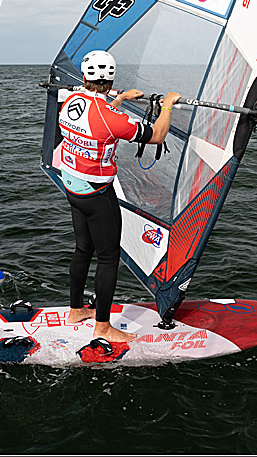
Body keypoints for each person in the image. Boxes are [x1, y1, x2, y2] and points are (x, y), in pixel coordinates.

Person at [57, 49, 180, 343]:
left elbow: (97, 115)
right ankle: (102, 326)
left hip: (73, 188)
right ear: (111, 79)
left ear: (85, 77)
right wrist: (167, 105)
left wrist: (121, 100)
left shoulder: (71, 102)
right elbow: (157, 136)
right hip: (98, 195)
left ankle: (75, 310)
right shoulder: (112, 118)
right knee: (108, 258)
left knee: (82, 249)